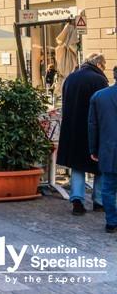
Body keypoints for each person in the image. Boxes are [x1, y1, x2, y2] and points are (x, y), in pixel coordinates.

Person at [58, 53, 109, 215]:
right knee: (100, 166)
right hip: (93, 130)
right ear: (99, 65)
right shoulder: (99, 80)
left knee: (78, 166)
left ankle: (77, 201)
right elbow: (102, 108)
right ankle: (99, 201)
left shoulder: (71, 78)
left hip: (72, 130)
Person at [88, 79, 117, 232]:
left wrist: (93, 149)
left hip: (108, 150)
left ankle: (111, 221)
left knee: (108, 188)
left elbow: (93, 125)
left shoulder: (99, 96)